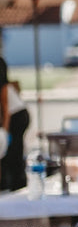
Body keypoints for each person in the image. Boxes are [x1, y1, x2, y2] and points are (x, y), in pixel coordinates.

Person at [0, 58, 30, 191]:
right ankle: (10, 181)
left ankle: (17, 182)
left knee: (14, 149)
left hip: (18, 117)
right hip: (14, 116)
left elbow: (6, 110)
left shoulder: (4, 86)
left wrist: (5, 133)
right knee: (10, 151)